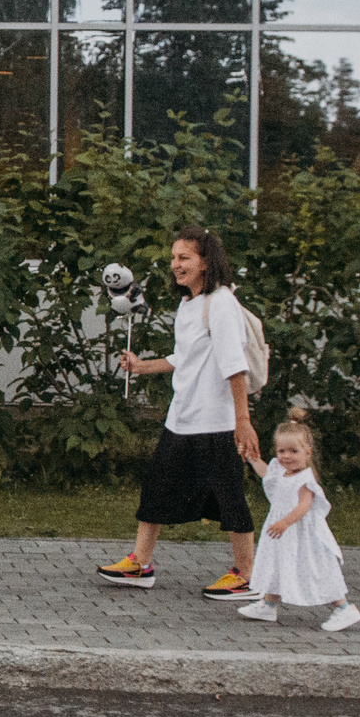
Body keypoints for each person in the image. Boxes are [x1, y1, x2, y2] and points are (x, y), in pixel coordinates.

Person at [95, 224, 263, 599]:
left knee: (229, 496)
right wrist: (141, 366)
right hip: (182, 419)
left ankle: (248, 575)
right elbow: (183, 359)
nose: (175, 264)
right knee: (156, 488)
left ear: (206, 262)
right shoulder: (189, 304)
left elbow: (235, 366)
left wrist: (242, 421)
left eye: (184, 257)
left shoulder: (220, 303)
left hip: (217, 422)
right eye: (173, 257)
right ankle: (140, 563)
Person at [235, 410, 359, 632]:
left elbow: (304, 505)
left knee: (314, 569)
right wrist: (253, 458)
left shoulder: (305, 478)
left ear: (307, 453)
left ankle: (344, 607)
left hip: (302, 533)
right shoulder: (281, 470)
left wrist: (285, 522)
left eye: (294, 451)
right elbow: (267, 473)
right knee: (277, 562)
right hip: (284, 532)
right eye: (282, 451)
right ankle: (269, 604)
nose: (286, 456)